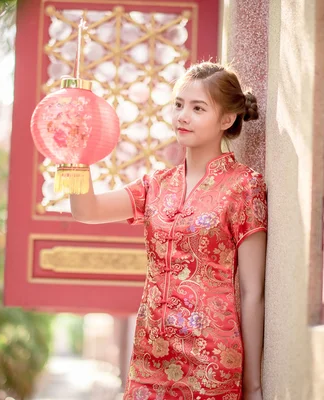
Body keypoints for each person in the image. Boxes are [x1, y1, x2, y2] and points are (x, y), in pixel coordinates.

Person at [70, 61, 267, 400]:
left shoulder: (244, 187)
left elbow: (252, 292)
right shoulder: (156, 186)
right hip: (151, 354)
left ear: (226, 119)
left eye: (197, 108)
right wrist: (75, 153)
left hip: (211, 358)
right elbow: (86, 211)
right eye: (178, 105)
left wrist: (253, 385)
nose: (182, 116)